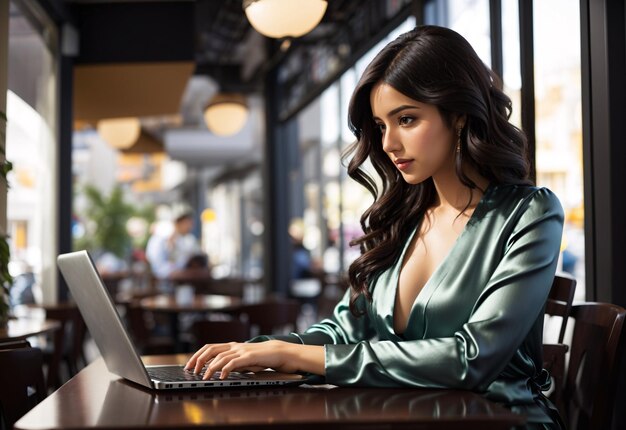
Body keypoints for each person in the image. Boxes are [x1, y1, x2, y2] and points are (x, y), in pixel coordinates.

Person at [186, 26, 564, 428]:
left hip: (496, 421)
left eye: (406, 119)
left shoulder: (530, 213)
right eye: (382, 126)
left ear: (458, 116)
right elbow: (346, 327)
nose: (388, 144)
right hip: (402, 416)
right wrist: (262, 351)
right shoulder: (404, 221)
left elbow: (473, 358)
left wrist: (296, 356)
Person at [145, 205, 206, 291]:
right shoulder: (160, 238)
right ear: (178, 222)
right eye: (188, 223)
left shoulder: (188, 239)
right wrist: (176, 273)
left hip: (186, 284)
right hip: (164, 287)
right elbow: (157, 267)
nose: (190, 227)